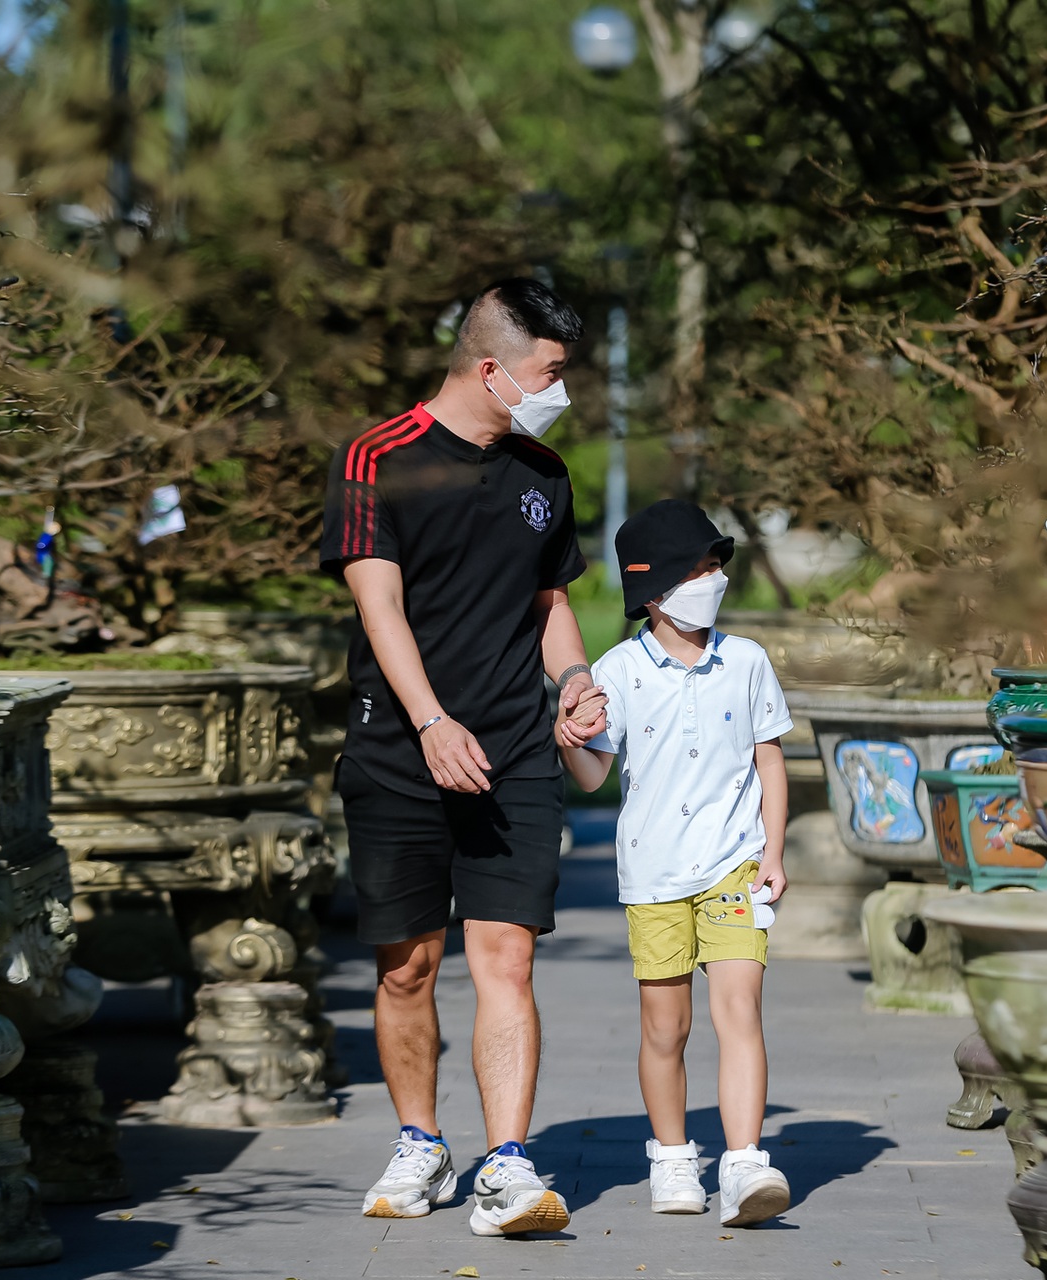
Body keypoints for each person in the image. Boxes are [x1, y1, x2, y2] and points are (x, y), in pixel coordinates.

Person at [319, 277, 608, 1237]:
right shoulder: (376, 458)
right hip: (399, 749)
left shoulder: (543, 472)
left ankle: (510, 1167)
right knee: (407, 966)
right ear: (492, 368)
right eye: (549, 372)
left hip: (514, 751)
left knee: (506, 957)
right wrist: (433, 722)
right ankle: (420, 1142)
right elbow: (379, 607)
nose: (559, 389)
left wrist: (573, 687)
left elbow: (551, 605)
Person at [557, 499, 795, 1228]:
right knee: (667, 1029)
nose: (714, 577)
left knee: (739, 1011)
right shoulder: (619, 670)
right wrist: (568, 734)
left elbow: (769, 756)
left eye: (717, 564)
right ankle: (671, 1158)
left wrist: (773, 851)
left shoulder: (746, 660)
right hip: (654, 877)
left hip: (733, 867)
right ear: (653, 588)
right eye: (699, 567)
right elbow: (595, 776)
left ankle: (747, 1161)